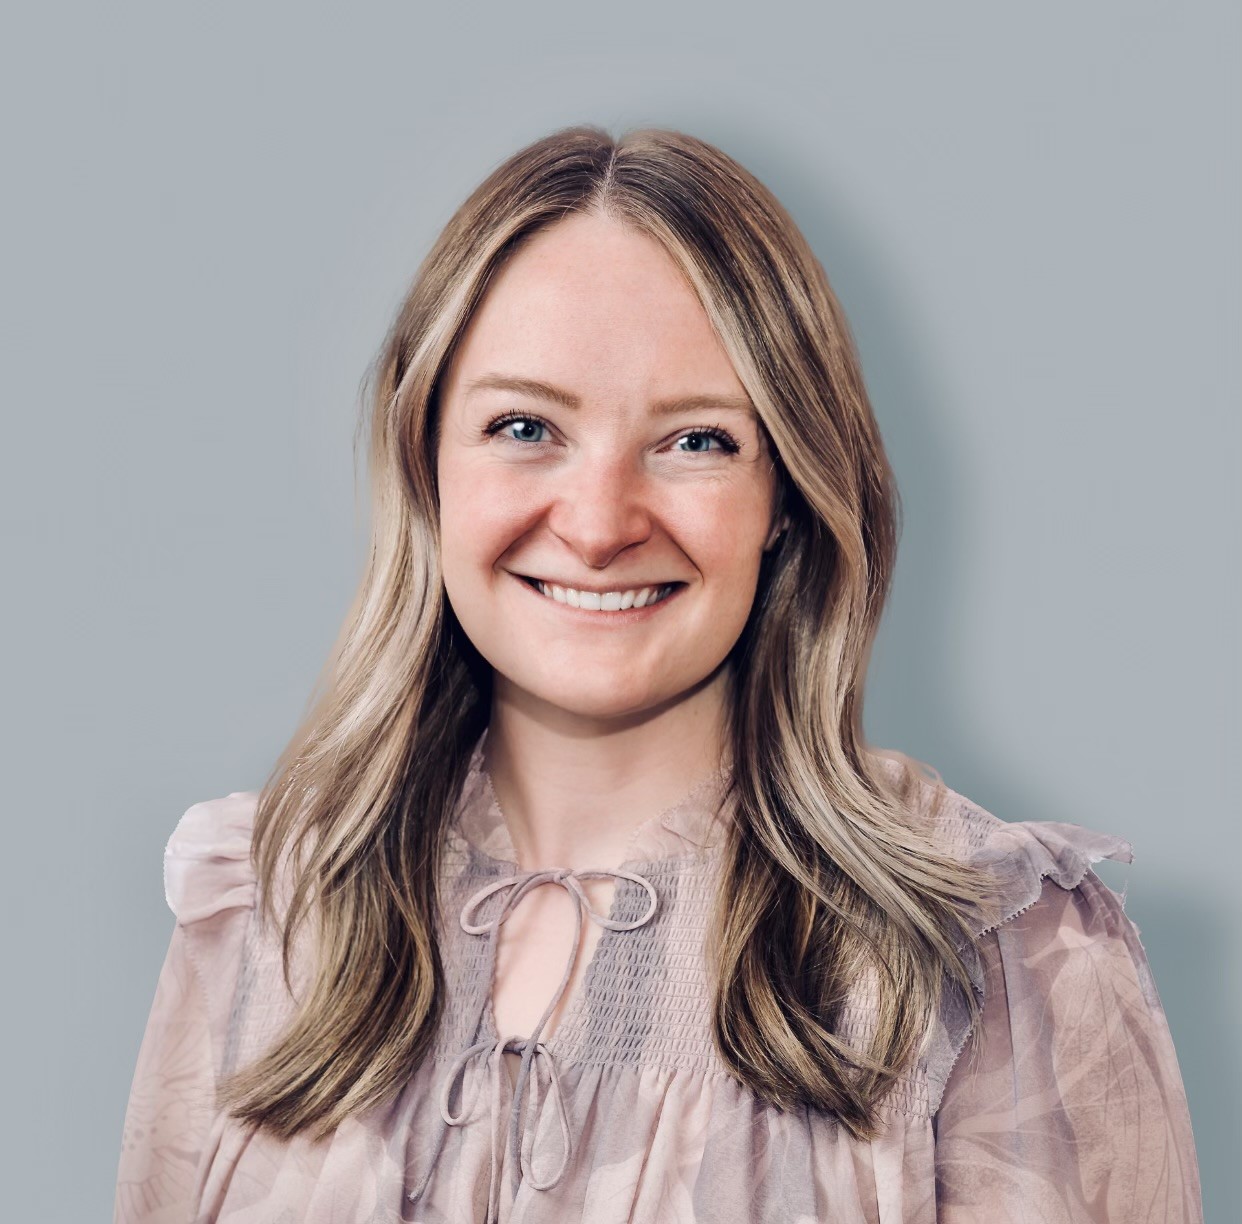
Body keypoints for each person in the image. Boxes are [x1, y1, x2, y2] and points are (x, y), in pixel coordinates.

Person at [113, 125, 1204, 1223]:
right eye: (524, 425)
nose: (597, 527)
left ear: (789, 494)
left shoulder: (994, 950)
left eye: (696, 442)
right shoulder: (264, 914)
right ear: (424, 463)